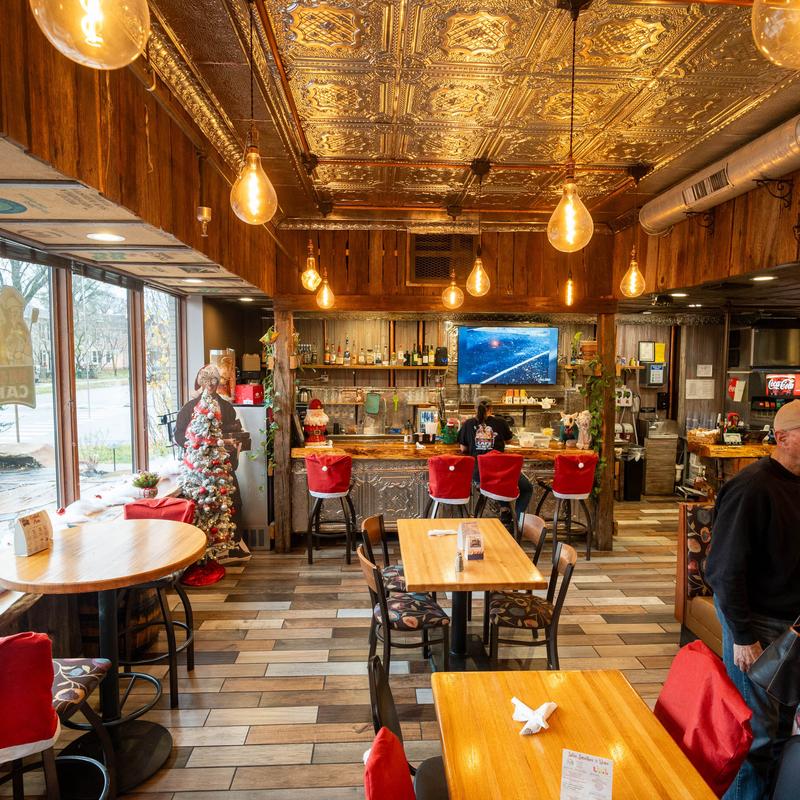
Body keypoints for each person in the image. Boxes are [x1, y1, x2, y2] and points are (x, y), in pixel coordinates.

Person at [705, 399, 800, 800]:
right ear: (782, 438)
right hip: (756, 625)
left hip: (791, 627)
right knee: (754, 736)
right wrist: (743, 637)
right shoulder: (752, 487)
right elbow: (723, 571)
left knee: (780, 732)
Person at [175, 364, 251, 563]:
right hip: (198, 470)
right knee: (198, 506)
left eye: (214, 380)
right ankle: (197, 548)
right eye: (207, 380)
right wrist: (197, 447)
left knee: (234, 501)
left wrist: (231, 445)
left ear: (218, 383)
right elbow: (179, 434)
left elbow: (236, 432)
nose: (210, 385)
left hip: (222, 465)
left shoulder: (227, 407)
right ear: (200, 382)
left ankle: (233, 544)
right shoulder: (189, 408)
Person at [458, 396, 533, 526]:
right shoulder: (501, 422)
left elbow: (463, 449)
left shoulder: (468, 424)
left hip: (479, 476)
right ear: (491, 408)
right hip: (501, 472)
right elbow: (508, 440)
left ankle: (505, 509)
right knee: (526, 488)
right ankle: (517, 522)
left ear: (475, 409)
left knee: (497, 485)